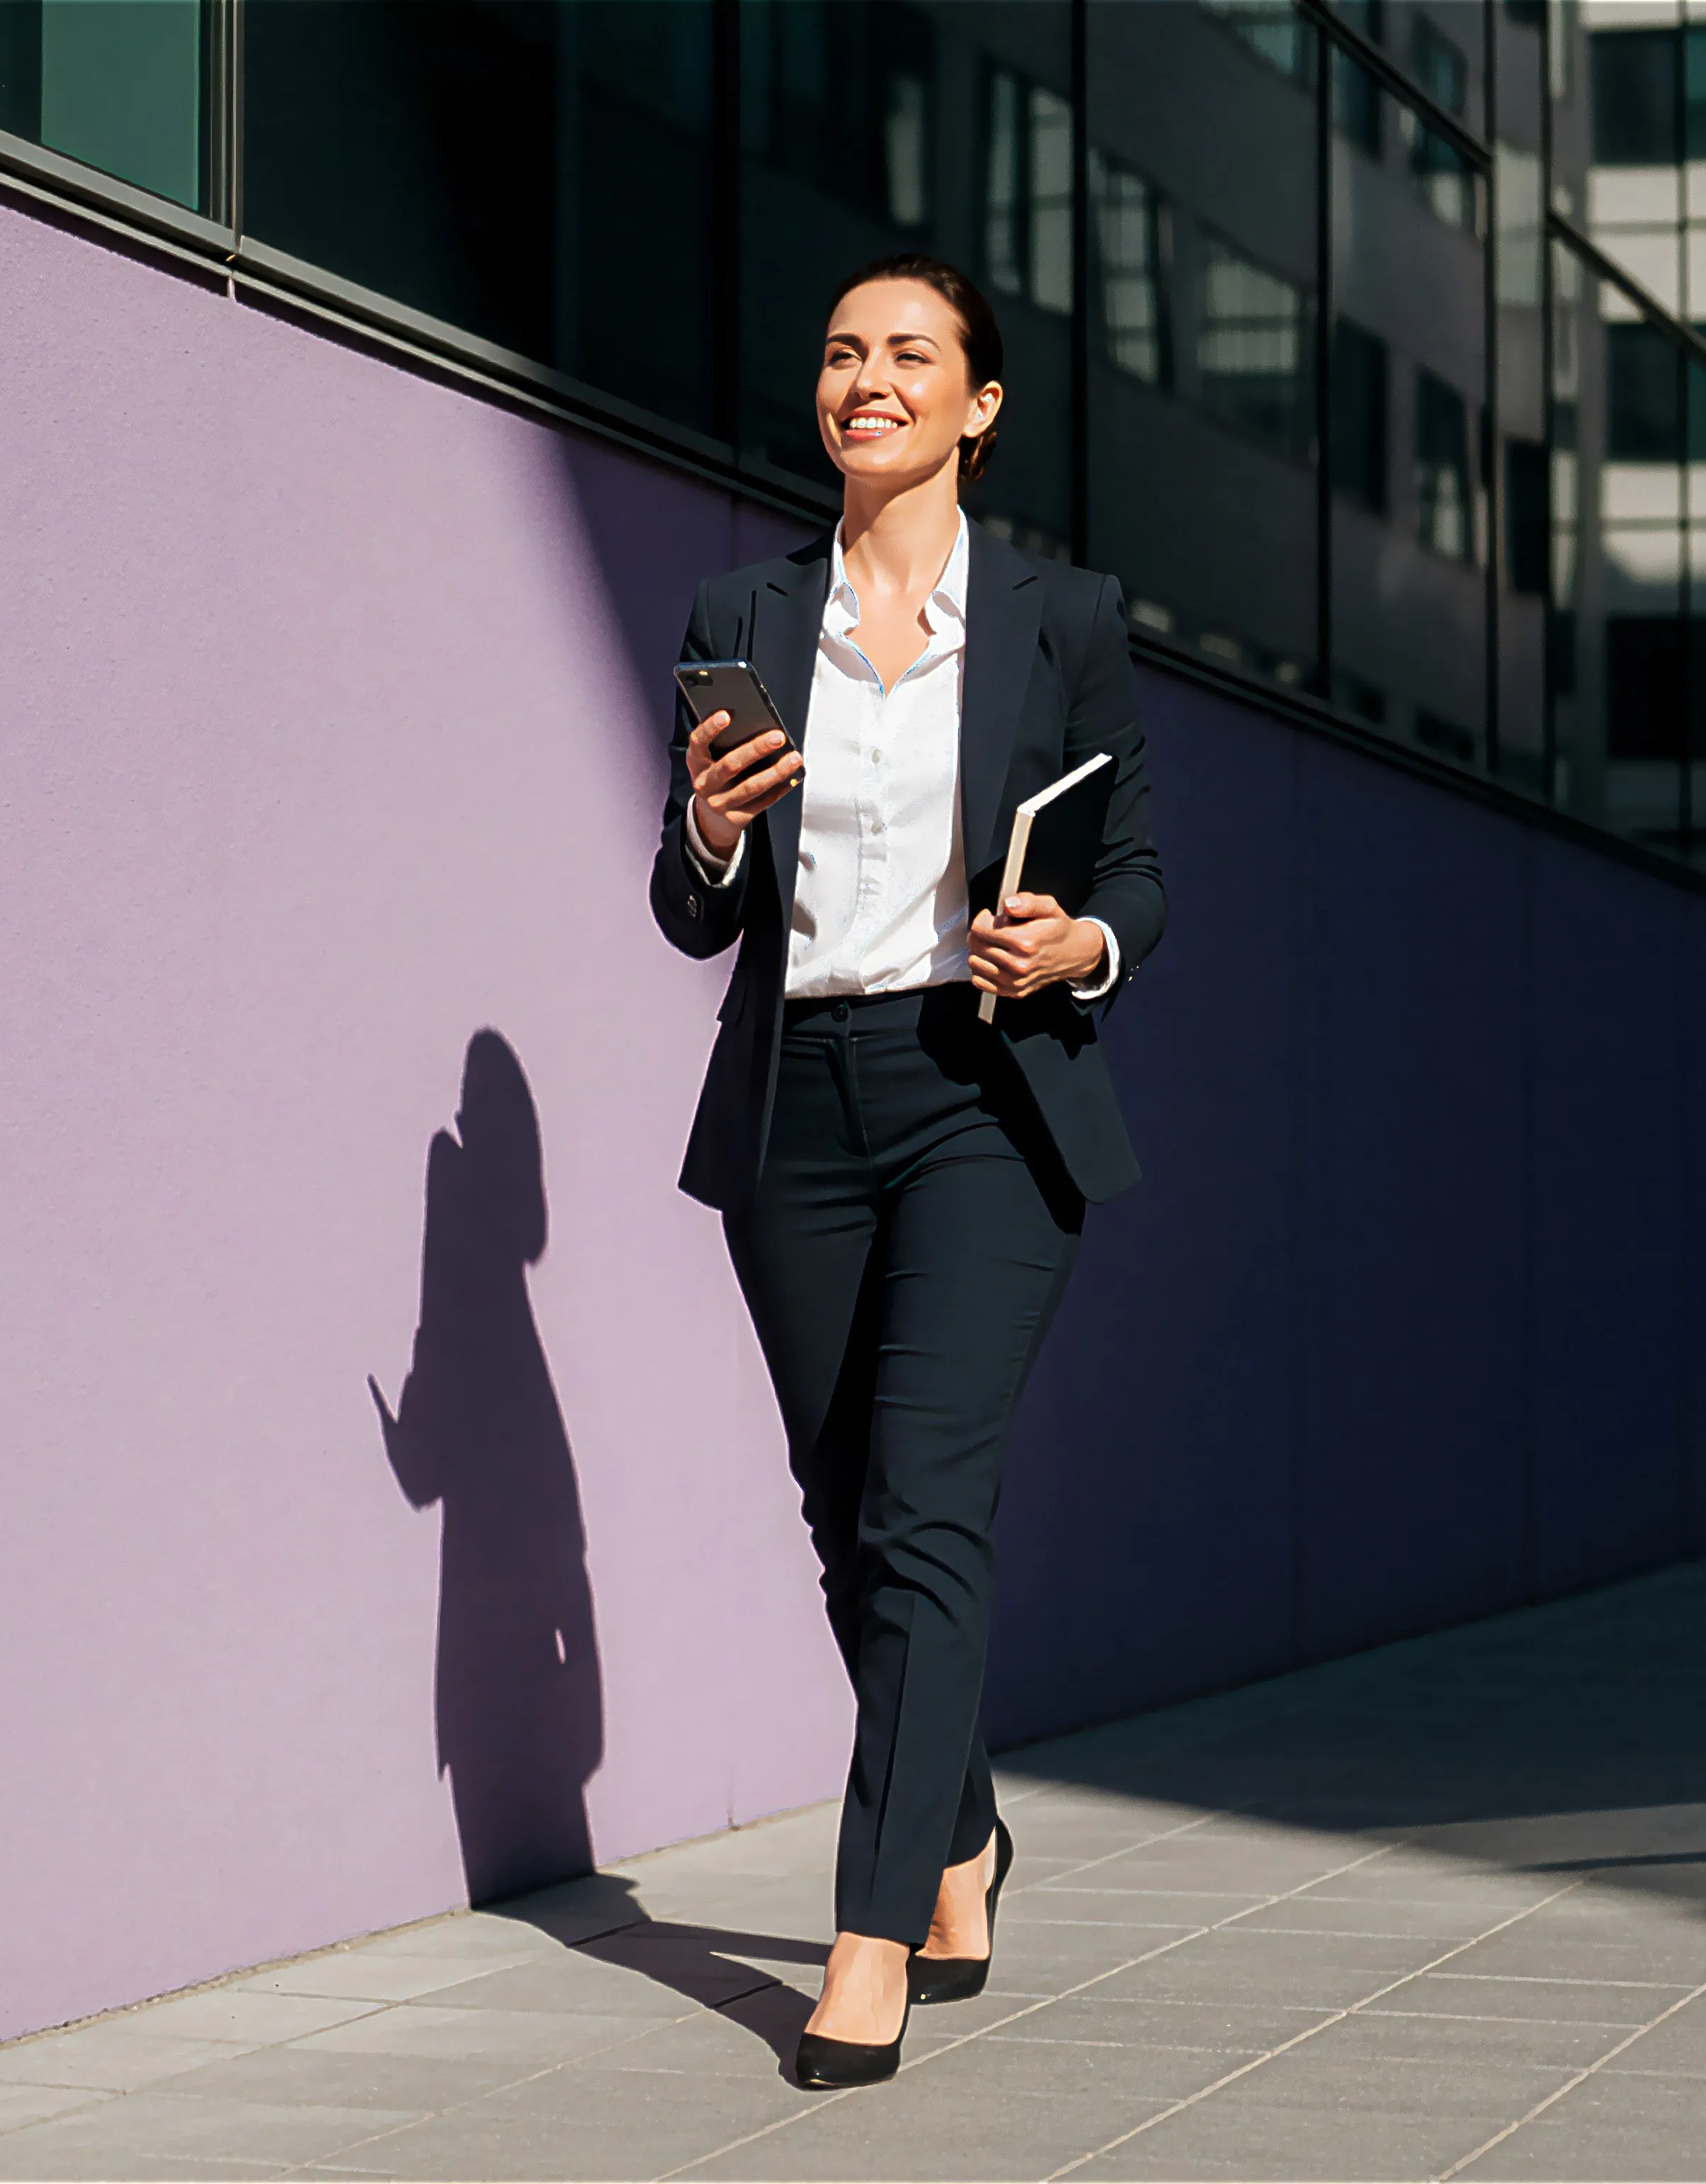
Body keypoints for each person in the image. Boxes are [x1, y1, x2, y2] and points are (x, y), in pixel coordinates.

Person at [649, 253, 1164, 2089]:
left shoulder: (1063, 615)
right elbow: (687, 909)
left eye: (911, 354)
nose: (869, 377)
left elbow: (1143, 873)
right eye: (844, 348)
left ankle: (867, 1936)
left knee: (929, 1512)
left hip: (980, 1094)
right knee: (841, 1507)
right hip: (800, 1101)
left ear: (980, 403)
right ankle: (958, 1830)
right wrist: (708, 833)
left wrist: (1073, 946)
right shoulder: (743, 605)